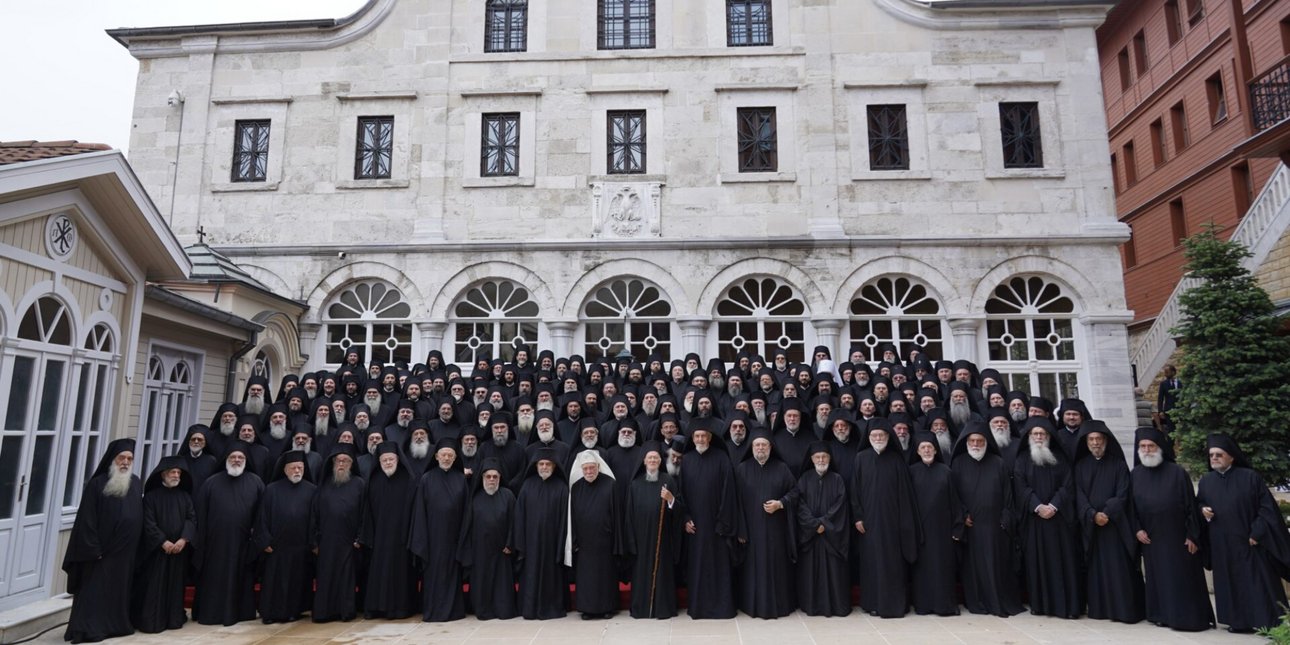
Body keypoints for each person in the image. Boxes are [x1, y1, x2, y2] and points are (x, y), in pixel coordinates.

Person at [1197, 433, 1290, 632]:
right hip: (1222, 544)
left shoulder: (1250, 478)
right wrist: (1203, 510)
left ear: (1231, 456)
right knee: (1231, 584)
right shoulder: (1206, 481)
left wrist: (1257, 533)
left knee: (1257, 584)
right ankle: (1237, 622)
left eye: (1219, 454)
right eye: (1211, 455)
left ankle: (1266, 622)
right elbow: (1200, 503)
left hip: (1250, 543)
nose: (1214, 458)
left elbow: (1267, 510)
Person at [1129, 426, 1213, 631]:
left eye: (1151, 446)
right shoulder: (1135, 474)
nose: (1147, 450)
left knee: (1182, 578)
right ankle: (1161, 615)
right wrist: (1137, 529)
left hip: (1178, 537)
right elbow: (1129, 507)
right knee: (1158, 578)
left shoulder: (1177, 472)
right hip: (1151, 538)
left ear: (1160, 448)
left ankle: (1189, 617)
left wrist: (1193, 535)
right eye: (1143, 446)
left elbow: (1191, 506)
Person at [63, 439, 143, 643]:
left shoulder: (135, 482)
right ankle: (89, 630)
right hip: (100, 552)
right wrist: (93, 548)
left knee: (119, 591)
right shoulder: (97, 484)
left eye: (129, 459)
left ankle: (117, 626)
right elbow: (86, 520)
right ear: (112, 460)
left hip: (125, 553)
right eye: (121, 458)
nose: (125, 462)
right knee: (94, 591)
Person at [1072, 421, 1144, 624]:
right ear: (1086, 442)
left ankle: (1123, 610)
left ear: (1105, 441)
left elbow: (1123, 493)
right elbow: (1078, 494)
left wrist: (1107, 512)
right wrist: (1091, 514)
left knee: (1119, 570)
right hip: (1092, 527)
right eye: (1091, 439)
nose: (1095, 443)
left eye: (1098, 439)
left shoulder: (1118, 465)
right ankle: (1100, 609)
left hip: (1115, 527)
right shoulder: (1080, 466)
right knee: (1097, 571)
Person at [951, 424, 1023, 617]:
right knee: (973, 568)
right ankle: (978, 601)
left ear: (986, 442)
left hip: (995, 527)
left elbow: (1008, 496)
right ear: (966, 443)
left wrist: (1004, 518)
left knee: (996, 566)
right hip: (971, 527)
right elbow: (953, 495)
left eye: (980, 441)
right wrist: (962, 515)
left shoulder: (998, 463)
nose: (975, 444)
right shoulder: (957, 463)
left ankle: (998, 600)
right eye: (972, 441)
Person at [850, 418, 919, 618]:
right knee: (872, 564)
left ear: (889, 437)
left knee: (893, 565)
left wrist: (903, 523)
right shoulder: (861, 458)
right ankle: (872, 603)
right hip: (869, 524)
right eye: (874, 436)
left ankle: (895, 604)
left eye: (882, 435)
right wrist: (858, 517)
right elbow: (855, 492)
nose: (878, 438)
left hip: (892, 524)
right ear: (868, 438)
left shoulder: (897, 460)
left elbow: (905, 495)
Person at [1013, 418, 1082, 618]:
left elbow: (1068, 485)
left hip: (1059, 521)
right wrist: (1037, 506)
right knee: (1038, 564)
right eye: (1035, 434)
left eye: (1043, 434)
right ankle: (1041, 605)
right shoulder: (1022, 459)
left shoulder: (1060, 457)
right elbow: (1020, 486)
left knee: (1063, 563)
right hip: (1035, 522)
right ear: (1029, 437)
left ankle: (1066, 606)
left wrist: (1053, 506)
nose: (1039, 437)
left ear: (1049, 436)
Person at [192, 441, 264, 626]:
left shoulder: (256, 482)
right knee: (214, 580)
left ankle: (240, 613)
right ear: (226, 459)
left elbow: (261, 516)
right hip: (215, 544)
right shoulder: (211, 483)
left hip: (243, 544)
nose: (237, 460)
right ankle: (212, 614)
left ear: (246, 460)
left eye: (241, 457)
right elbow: (200, 515)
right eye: (233, 457)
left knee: (240, 579)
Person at [733, 429, 798, 619]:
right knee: (753, 570)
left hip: (776, 530)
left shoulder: (782, 468)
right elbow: (734, 502)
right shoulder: (742, 469)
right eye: (757, 445)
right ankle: (752, 605)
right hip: (751, 531)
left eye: (764, 445)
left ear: (771, 447)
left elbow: (795, 492)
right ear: (751, 447)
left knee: (776, 567)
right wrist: (741, 529)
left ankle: (779, 605)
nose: (760, 448)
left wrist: (781, 503)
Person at [678, 424, 739, 619]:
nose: (701, 439)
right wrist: (685, 518)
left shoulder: (721, 458)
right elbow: (681, 493)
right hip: (695, 526)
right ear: (693, 438)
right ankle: (698, 608)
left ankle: (721, 608)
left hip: (717, 526)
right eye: (697, 436)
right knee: (697, 567)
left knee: (719, 567)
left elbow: (728, 492)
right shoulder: (686, 461)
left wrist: (723, 521)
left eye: (704, 436)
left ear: (710, 438)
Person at [131, 456, 196, 634]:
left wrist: (183, 539)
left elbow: (191, 519)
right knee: (154, 587)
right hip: (157, 552)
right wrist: (163, 542)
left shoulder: (185, 497)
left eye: (178, 473)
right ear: (163, 475)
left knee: (175, 587)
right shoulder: (151, 498)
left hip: (179, 551)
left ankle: (173, 619)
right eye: (172, 472)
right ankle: (153, 621)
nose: (176, 475)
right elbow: (148, 523)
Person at [408, 437, 469, 622]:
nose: (447, 458)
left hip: (454, 539)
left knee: (452, 576)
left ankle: (454, 611)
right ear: (436, 457)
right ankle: (433, 611)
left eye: (450, 455)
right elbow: (419, 511)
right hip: (432, 540)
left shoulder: (461, 479)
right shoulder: (426, 479)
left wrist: (463, 538)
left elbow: (467, 512)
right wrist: (422, 539)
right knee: (433, 577)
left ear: (455, 457)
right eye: (444, 455)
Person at [359, 442, 419, 619]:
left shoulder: (409, 480)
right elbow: (367, 511)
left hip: (401, 538)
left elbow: (414, 511)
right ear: (379, 461)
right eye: (384, 460)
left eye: (391, 459)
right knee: (378, 573)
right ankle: (376, 608)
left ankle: (401, 609)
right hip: (379, 539)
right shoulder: (373, 480)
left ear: (398, 459)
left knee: (401, 575)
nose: (387, 463)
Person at [255, 451, 316, 624]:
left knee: (296, 582)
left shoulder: (312, 490)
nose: (297, 471)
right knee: (274, 581)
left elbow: (314, 519)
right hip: (276, 547)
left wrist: (312, 543)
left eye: (300, 468)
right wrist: (264, 540)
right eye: (294, 468)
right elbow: (262, 518)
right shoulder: (271, 489)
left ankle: (293, 612)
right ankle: (270, 613)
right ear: (285, 470)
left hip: (300, 547)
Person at [623, 443, 683, 619]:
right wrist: (631, 541)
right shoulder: (635, 485)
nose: (652, 461)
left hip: (662, 538)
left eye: (655, 458)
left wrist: (671, 499)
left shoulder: (668, 481)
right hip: (641, 540)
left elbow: (679, 511)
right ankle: (641, 608)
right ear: (644, 461)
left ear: (659, 461)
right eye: (649, 458)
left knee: (662, 573)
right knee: (641, 574)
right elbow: (629, 515)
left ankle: (663, 608)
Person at [908, 431, 962, 616]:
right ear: (917, 451)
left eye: (929, 447)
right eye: (923, 448)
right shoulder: (911, 471)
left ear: (936, 450)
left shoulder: (946, 471)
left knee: (942, 568)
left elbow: (955, 501)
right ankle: (923, 605)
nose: (926, 450)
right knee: (922, 569)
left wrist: (957, 526)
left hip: (942, 530)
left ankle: (943, 605)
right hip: (919, 529)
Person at [794, 442, 850, 617]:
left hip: (831, 537)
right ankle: (812, 606)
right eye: (817, 457)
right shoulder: (804, 479)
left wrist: (823, 524)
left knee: (834, 572)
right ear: (811, 459)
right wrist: (813, 524)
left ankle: (836, 606)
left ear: (829, 459)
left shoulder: (837, 479)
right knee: (811, 574)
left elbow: (840, 506)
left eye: (824, 457)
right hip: (811, 537)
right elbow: (800, 505)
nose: (821, 460)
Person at [311, 443, 365, 623]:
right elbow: (314, 514)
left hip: (349, 541)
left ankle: (346, 612)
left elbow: (365, 513)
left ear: (352, 464)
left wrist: (360, 537)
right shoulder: (324, 484)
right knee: (326, 576)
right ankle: (324, 612)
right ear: (333, 463)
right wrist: (315, 542)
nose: (341, 464)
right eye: (338, 461)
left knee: (346, 578)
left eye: (346, 461)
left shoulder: (359, 484)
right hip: (326, 541)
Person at [514, 447, 570, 619]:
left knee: (552, 577)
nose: (544, 467)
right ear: (536, 465)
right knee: (530, 576)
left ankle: (552, 608)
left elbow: (564, 519)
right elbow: (519, 516)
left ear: (554, 466)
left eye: (548, 464)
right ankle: (529, 609)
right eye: (541, 464)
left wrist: (561, 545)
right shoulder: (527, 485)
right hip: (531, 544)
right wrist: (520, 542)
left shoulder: (561, 487)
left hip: (552, 544)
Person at [459, 458, 519, 620]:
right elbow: (468, 527)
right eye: (488, 476)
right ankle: (483, 610)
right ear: (482, 478)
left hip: (502, 551)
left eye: (495, 477)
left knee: (502, 585)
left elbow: (516, 523)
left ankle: (503, 610)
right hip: (480, 551)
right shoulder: (475, 498)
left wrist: (510, 543)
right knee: (481, 583)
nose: (491, 480)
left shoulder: (508, 496)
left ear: (500, 478)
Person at [567, 450, 620, 619]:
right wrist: (574, 541)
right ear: (581, 469)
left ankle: (607, 608)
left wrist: (617, 541)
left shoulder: (610, 484)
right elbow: (572, 516)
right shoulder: (576, 487)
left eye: (592, 468)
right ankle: (587, 609)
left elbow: (617, 515)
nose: (589, 472)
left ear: (598, 467)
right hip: (584, 543)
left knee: (605, 576)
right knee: (587, 578)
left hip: (605, 541)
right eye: (586, 469)